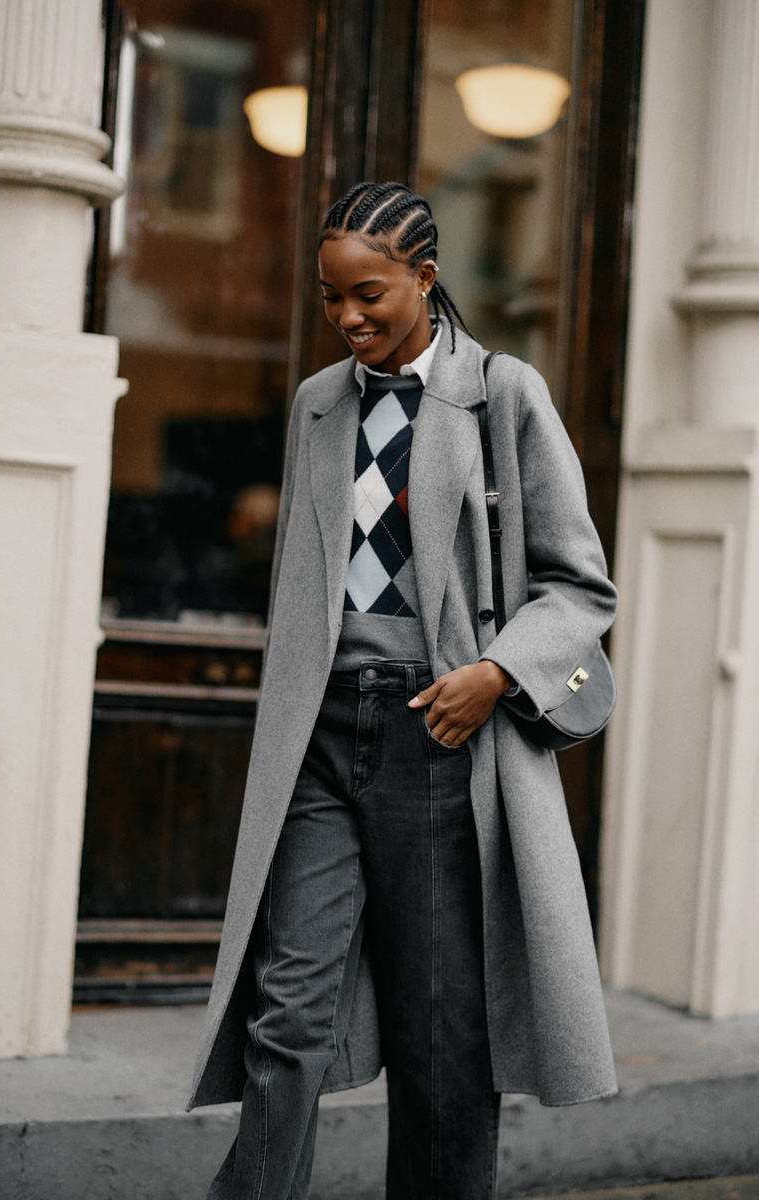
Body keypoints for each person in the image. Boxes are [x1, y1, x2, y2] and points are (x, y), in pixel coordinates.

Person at [188, 181, 619, 1200]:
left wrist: (495, 673)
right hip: (319, 737)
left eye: (368, 294)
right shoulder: (316, 404)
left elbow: (578, 584)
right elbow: (306, 583)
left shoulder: (502, 394)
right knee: (284, 1012)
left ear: (424, 276)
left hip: (436, 734)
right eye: (330, 299)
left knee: (438, 1038)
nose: (347, 319)